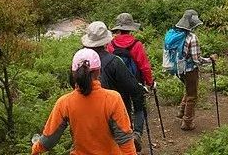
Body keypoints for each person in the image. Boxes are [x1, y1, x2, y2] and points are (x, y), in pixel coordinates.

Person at [31, 48, 137, 155]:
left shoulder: (64, 102)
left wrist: (36, 148)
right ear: (98, 71)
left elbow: (49, 139)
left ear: (73, 73)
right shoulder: (113, 99)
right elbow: (124, 139)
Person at [82, 21, 146, 152]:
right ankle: (137, 134)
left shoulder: (80, 60)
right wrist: (140, 94)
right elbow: (132, 87)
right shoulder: (114, 61)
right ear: (106, 42)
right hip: (115, 111)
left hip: (87, 114)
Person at [167, 9, 212, 131]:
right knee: (192, 95)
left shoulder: (175, 34)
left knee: (188, 89)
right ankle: (187, 122)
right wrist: (209, 60)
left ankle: (181, 111)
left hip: (178, 70)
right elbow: (196, 59)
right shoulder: (192, 38)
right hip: (190, 70)